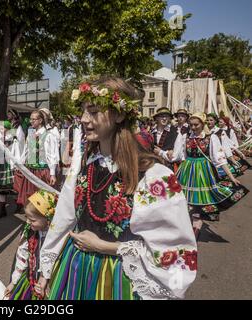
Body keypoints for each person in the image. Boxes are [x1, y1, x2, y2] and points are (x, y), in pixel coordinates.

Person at [37, 78, 197, 300]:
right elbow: (64, 219)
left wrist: (107, 247)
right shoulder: (85, 167)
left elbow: (174, 250)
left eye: (93, 111)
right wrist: (47, 266)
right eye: (83, 111)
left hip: (118, 277)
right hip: (75, 269)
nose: (83, 119)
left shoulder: (154, 177)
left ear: (120, 115)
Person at [172, 113, 249, 222]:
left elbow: (220, 160)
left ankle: (196, 225)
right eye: (191, 125)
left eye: (196, 125)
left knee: (203, 198)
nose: (193, 127)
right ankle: (186, 224)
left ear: (203, 124)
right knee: (184, 199)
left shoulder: (211, 137)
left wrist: (232, 177)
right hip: (186, 170)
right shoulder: (185, 137)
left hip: (204, 171)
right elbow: (181, 156)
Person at [5, 190, 57, 300]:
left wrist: (45, 282)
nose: (28, 222)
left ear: (48, 219)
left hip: (49, 285)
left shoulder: (56, 239)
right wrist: (13, 283)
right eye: (26, 217)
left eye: (32, 220)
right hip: (31, 279)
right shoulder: (29, 232)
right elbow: (22, 258)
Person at [16, 110, 60, 207]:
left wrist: (52, 174)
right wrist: (19, 164)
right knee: (30, 199)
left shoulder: (49, 135)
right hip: (31, 171)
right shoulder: (31, 134)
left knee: (43, 201)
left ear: (40, 120)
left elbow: (53, 155)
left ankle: (45, 221)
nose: (31, 121)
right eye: (30, 119)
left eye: (33, 119)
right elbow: (26, 151)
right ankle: (31, 220)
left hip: (42, 172)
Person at [0, 120, 15, 219]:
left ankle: (19, 205)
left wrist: (14, 165)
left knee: (12, 186)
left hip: (8, 163)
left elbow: (12, 151)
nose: (1, 129)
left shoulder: (11, 138)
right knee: (0, 188)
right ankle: (2, 209)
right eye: (0, 128)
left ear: (8, 129)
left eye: (3, 128)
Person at [7, 109, 26, 213]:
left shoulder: (18, 128)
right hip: (13, 157)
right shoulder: (13, 127)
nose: (8, 115)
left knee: (19, 183)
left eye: (9, 114)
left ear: (14, 115)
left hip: (18, 158)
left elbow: (20, 143)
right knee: (15, 183)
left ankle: (21, 204)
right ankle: (18, 203)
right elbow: (10, 140)